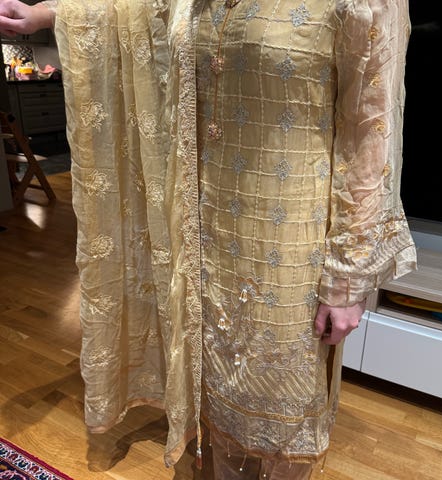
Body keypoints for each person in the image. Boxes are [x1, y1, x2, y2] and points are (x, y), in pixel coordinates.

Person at [0, 0, 417, 478]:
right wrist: (46, 14)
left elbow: (371, 135)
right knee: (213, 380)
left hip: (293, 248)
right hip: (202, 233)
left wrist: (348, 280)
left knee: (279, 403)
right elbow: (134, 13)